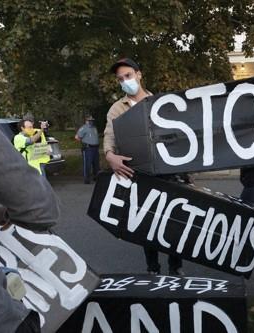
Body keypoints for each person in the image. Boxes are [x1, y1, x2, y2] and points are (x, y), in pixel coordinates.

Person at [0, 105, 60, 332]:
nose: (30, 126)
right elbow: (41, 209)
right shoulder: (19, 139)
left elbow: (43, 149)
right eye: (27, 125)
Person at [104, 58, 183, 275]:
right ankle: (153, 268)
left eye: (128, 76)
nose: (125, 81)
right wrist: (110, 156)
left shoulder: (160, 103)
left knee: (173, 221)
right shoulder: (116, 108)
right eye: (120, 79)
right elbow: (110, 135)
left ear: (139, 74)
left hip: (168, 173)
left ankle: (175, 268)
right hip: (139, 174)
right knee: (147, 224)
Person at [75, 114, 100, 184]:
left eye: (92, 120)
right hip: (88, 148)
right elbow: (77, 137)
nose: (91, 122)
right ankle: (87, 179)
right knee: (87, 164)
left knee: (96, 164)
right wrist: (84, 143)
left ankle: (96, 177)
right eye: (90, 120)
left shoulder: (94, 128)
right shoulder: (84, 128)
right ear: (86, 121)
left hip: (95, 148)